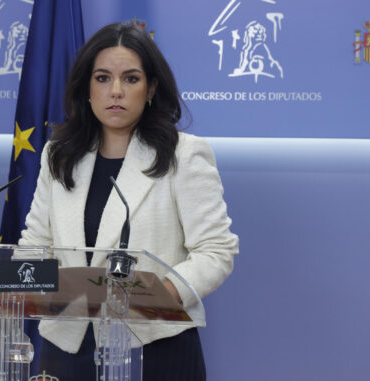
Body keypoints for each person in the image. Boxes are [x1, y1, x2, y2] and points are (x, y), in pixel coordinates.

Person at [17, 22, 239, 380]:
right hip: (67, 347)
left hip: (153, 345)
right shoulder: (59, 154)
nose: (115, 91)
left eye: (131, 79)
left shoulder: (184, 155)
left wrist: (157, 297)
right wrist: (21, 281)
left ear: (151, 88)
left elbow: (216, 251)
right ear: (86, 88)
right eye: (103, 78)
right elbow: (35, 244)